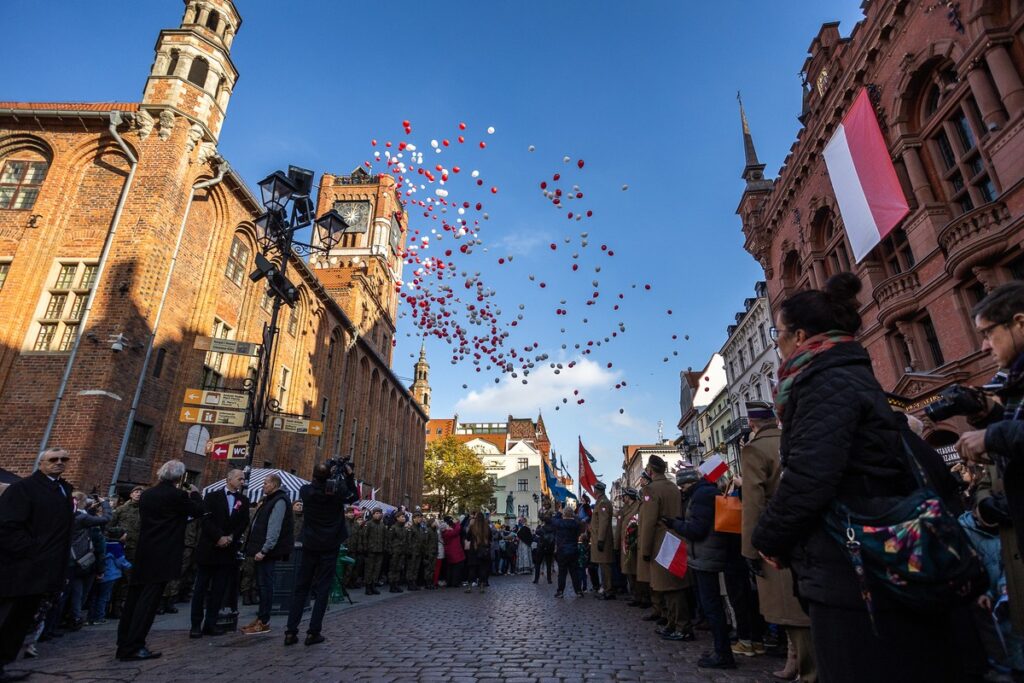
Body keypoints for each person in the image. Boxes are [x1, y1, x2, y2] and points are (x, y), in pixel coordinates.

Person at [753, 272, 958, 682]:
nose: (777, 344)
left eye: (779, 334)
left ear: (800, 336)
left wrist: (770, 536)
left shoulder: (823, 380)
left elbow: (811, 474)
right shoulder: (846, 372)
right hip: (864, 553)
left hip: (853, 561)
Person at [739, 401, 815, 681]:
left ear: (752, 424)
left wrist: (750, 548)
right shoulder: (793, 439)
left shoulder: (755, 449)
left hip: (774, 535)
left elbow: (753, 503)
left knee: (789, 607)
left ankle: (808, 671)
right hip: (805, 531)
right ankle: (793, 661)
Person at [117, 459, 204, 661]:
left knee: (134, 599)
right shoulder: (177, 495)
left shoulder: (147, 495)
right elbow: (199, 510)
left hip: (144, 550)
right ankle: (135, 645)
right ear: (179, 477)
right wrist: (195, 494)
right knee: (148, 602)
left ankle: (123, 643)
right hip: (163, 553)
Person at [0, 447, 74, 682]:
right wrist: (33, 551)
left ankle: (3, 664)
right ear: (41, 463)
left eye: (63, 459)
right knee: (7, 617)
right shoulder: (23, 488)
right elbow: (8, 527)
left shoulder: (63, 489)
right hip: (21, 569)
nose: (59, 463)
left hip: (45, 568)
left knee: (21, 621)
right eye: (53, 459)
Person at [284, 461, 358, 646]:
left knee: (301, 587)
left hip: (310, 543)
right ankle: (313, 632)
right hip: (329, 545)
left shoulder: (305, 491)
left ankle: (290, 631)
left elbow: (316, 487)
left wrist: (328, 474)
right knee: (323, 588)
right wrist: (349, 476)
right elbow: (353, 496)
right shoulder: (337, 493)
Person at [639, 457, 695, 647]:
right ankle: (672, 623)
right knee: (671, 585)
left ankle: (682, 626)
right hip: (677, 537)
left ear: (650, 470)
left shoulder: (651, 489)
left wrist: (645, 548)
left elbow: (649, 521)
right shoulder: (672, 487)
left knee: (671, 587)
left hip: (661, 541)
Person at [190, 468, 250, 639]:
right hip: (209, 548)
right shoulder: (212, 497)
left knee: (218, 589)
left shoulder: (243, 500)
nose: (242, 482)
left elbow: (243, 522)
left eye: (243, 479)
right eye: (239, 478)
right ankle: (195, 625)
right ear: (229, 479)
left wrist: (231, 537)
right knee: (201, 588)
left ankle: (211, 623)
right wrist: (218, 537)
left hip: (227, 551)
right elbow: (205, 520)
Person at [241, 473, 293, 635]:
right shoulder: (269, 500)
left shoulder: (279, 500)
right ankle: (261, 618)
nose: (263, 485)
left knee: (265, 585)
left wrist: (265, 549)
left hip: (267, 551)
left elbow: (274, 527)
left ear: (274, 485)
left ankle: (264, 621)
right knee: (261, 584)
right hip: (260, 549)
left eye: (265, 483)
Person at [110, 485, 142, 617]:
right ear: (131, 494)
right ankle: (111, 606)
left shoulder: (144, 511)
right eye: (136, 492)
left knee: (127, 578)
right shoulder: (121, 509)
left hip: (135, 548)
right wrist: (119, 534)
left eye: (141, 492)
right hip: (120, 548)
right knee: (116, 577)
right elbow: (109, 526)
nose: (138, 494)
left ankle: (120, 606)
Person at [88, 526, 131, 625]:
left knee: (95, 596)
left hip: (98, 572)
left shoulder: (104, 543)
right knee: (104, 596)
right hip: (110, 574)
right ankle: (99, 617)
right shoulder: (117, 546)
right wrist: (130, 566)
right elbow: (120, 561)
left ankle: (91, 617)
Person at [590, 482, 615, 599]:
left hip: (603, 541)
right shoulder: (600, 502)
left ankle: (608, 591)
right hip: (600, 539)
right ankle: (606, 589)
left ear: (598, 490)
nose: (593, 491)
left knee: (605, 567)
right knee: (603, 566)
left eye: (594, 489)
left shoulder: (603, 503)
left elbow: (603, 522)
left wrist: (600, 540)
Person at [617, 488, 642, 606]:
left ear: (629, 497)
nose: (623, 498)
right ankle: (635, 595)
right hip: (626, 544)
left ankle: (639, 596)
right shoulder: (626, 508)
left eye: (625, 496)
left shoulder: (638, 507)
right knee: (629, 571)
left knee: (634, 571)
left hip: (632, 544)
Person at [551, 508, 583, 598]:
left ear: (564, 514)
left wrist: (559, 513)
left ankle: (560, 591)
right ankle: (578, 591)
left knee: (562, 572)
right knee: (574, 572)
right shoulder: (576, 523)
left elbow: (553, 520)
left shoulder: (559, 523)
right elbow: (580, 522)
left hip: (562, 551)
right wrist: (574, 516)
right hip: (573, 550)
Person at [465, 510, 491, 593]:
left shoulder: (473, 527)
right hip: (484, 551)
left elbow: (467, 537)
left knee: (472, 570)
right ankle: (481, 587)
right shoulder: (487, 527)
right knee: (482, 570)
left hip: (474, 551)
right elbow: (490, 538)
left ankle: (469, 587)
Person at [362, 508, 386, 595]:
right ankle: (367, 587)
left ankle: (373, 585)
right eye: (376, 513)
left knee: (377, 569)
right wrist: (365, 548)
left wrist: (384, 548)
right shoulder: (368, 524)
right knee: (369, 569)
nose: (378, 515)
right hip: (370, 550)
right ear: (373, 514)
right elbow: (364, 536)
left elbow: (385, 537)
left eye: (379, 513)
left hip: (379, 550)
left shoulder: (382, 525)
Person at [386, 511, 409, 593]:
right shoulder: (393, 528)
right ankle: (392, 585)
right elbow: (389, 540)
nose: (404, 518)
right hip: (395, 551)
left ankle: (396, 584)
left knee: (398, 568)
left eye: (404, 517)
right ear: (397, 518)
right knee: (393, 568)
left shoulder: (404, 528)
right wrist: (390, 551)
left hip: (401, 551)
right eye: (402, 517)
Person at [441, 516, 466, 588]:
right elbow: (457, 530)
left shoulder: (445, 532)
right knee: (456, 568)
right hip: (455, 552)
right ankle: (455, 582)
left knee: (450, 568)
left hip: (449, 552)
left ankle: (449, 582)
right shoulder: (449, 532)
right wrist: (457, 523)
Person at [532, 514, 555, 584]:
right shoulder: (553, 529)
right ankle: (549, 579)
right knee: (548, 564)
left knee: (538, 564)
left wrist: (540, 525)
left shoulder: (542, 528)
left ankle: (536, 579)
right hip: (549, 548)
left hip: (541, 547)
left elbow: (536, 532)